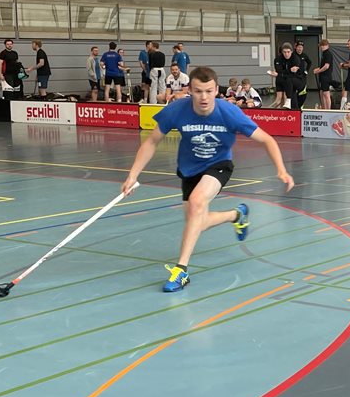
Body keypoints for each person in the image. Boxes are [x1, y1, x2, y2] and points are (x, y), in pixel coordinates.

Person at [122, 67, 295, 293]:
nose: (204, 97)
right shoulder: (177, 110)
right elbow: (152, 141)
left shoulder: (229, 112)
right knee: (197, 223)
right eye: (198, 91)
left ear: (216, 90)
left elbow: (267, 140)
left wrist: (281, 170)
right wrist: (132, 175)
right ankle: (236, 215)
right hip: (188, 169)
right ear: (190, 90)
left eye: (209, 91)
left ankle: (181, 271)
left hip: (218, 164)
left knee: (196, 203)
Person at [313, 39, 338, 110]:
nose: (322, 47)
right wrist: (317, 69)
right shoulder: (324, 54)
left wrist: (318, 71)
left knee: (326, 94)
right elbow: (323, 66)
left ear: (327, 46)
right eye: (321, 45)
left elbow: (326, 66)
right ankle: (324, 108)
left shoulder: (328, 54)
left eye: (324, 45)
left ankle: (328, 109)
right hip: (323, 76)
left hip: (326, 76)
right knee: (322, 93)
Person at [269, 42, 294, 109]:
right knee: (281, 98)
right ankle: (280, 112)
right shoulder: (278, 59)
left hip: (283, 79)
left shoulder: (288, 59)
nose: (286, 54)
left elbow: (279, 71)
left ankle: (283, 112)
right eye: (284, 52)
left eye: (288, 52)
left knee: (282, 97)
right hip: (281, 79)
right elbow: (279, 70)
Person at [289, 41, 312, 110]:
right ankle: (294, 107)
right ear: (295, 47)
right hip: (294, 76)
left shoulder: (304, 55)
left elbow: (309, 62)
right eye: (299, 47)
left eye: (301, 47)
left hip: (302, 77)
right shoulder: (292, 55)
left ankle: (300, 105)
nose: (300, 49)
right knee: (294, 93)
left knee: (302, 92)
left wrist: (306, 71)